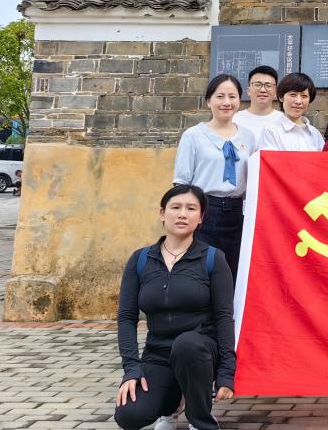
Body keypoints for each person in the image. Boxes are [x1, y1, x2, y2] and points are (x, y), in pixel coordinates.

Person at [115, 185, 236, 430]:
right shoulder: (140, 259)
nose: (182, 214)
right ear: (162, 213)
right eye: (175, 207)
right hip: (158, 354)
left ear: (200, 218)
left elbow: (224, 317)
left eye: (191, 209)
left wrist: (226, 372)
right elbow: (126, 318)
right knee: (129, 416)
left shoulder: (213, 258)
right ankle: (172, 405)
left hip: (200, 351)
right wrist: (132, 369)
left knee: (187, 344)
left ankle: (200, 419)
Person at [174, 74, 256, 280]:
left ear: (239, 101)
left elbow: (255, 178)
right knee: (201, 269)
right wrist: (186, 214)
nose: (226, 102)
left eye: (232, 97)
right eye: (220, 96)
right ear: (208, 101)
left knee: (233, 271)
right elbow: (181, 182)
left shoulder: (248, 136)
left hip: (238, 213)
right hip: (204, 210)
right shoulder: (193, 135)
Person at [258, 72, 325, 152]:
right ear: (281, 97)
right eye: (293, 95)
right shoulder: (271, 131)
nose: (298, 101)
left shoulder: (315, 134)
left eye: (304, 96)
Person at [232, 65, 282, 143]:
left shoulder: (284, 120)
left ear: (276, 92)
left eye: (268, 86)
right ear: (248, 91)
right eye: (257, 85)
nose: (263, 90)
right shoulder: (234, 119)